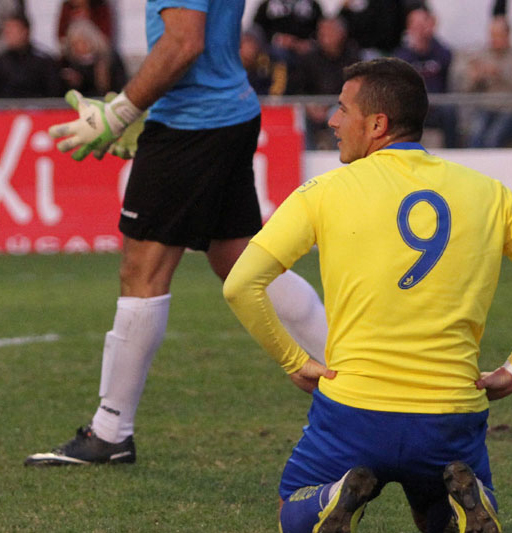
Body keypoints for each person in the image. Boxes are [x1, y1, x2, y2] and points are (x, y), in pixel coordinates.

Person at [223, 57, 512, 533]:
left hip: (353, 410)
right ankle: (466, 506)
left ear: (377, 124)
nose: (333, 121)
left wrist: (293, 361)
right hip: (450, 413)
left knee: (292, 505)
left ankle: (330, 499)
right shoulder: (490, 194)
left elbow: (240, 283)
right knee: (438, 499)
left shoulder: (323, 191)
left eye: (342, 109)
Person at [24, 0, 327, 467]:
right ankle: (362, 380)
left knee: (141, 274)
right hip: (227, 111)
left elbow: (184, 43)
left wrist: (121, 111)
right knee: (244, 263)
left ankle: (110, 432)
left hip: (192, 124)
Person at [451, 17, 512, 148]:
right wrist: (474, 78)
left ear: (508, 35)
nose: (493, 40)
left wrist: (500, 73)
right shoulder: (482, 55)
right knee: (474, 136)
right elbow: (466, 89)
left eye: (498, 35)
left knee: (493, 138)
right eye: (492, 35)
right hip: (487, 108)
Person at [393, 6, 461, 148]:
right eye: (416, 25)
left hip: (436, 106)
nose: (420, 29)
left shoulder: (441, 51)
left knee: (449, 112)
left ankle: (453, 154)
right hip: (412, 108)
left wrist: (427, 44)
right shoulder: (402, 55)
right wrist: (415, 49)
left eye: (423, 24)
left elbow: (447, 63)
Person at [294, 16, 362, 149]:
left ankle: (340, 154)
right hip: (312, 107)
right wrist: (309, 106)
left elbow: (357, 88)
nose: (326, 36)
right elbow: (299, 87)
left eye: (331, 31)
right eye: (323, 32)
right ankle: (305, 155)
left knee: (337, 116)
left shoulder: (353, 56)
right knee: (298, 117)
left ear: (342, 33)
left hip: (342, 106)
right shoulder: (309, 58)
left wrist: (336, 104)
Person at [0, 12, 63, 98]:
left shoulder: (44, 61)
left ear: (25, 32)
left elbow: (54, 93)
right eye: (6, 31)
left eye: (12, 30)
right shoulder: (2, 61)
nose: (8, 34)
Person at [59, 19, 127, 97]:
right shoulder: (69, 62)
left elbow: (120, 85)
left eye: (82, 42)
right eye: (74, 44)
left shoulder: (109, 58)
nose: (78, 47)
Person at [240, 26, 289, 95]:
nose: (248, 47)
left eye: (251, 42)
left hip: (268, 100)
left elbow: (279, 85)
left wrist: (272, 97)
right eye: (245, 42)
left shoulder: (273, 60)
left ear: (259, 45)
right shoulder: (236, 63)